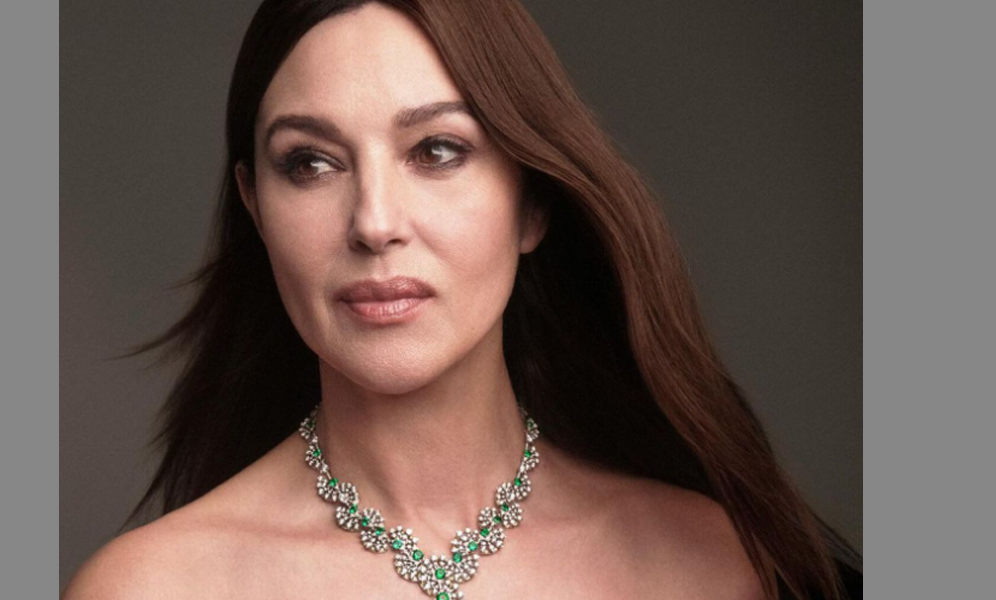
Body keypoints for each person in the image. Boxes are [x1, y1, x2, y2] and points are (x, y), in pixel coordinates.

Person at [63, 1, 861, 598]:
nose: (375, 223)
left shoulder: (707, 566)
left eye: (437, 150)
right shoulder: (149, 589)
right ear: (256, 208)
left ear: (532, 201)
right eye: (310, 163)